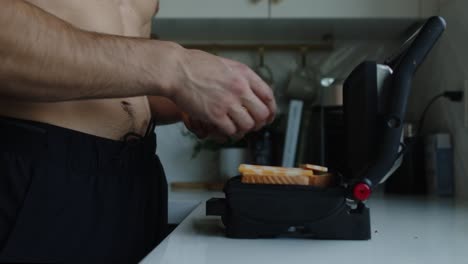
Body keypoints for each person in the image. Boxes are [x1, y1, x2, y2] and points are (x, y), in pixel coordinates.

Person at [0, 0, 276, 263]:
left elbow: (115, 67)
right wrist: (174, 67)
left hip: (137, 180)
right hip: (37, 177)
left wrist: (184, 99)